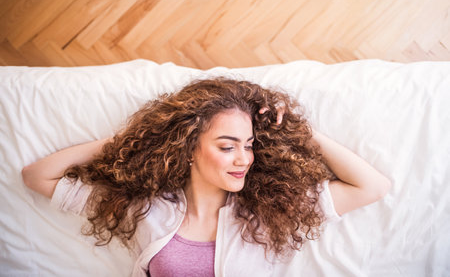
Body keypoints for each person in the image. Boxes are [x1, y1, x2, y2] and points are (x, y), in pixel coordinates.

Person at [22, 78, 391, 277]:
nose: (243, 159)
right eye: (227, 146)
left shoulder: (269, 213)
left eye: (248, 145)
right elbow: (37, 177)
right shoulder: (143, 208)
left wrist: (295, 130)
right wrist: (130, 139)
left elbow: (372, 187)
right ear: (188, 145)